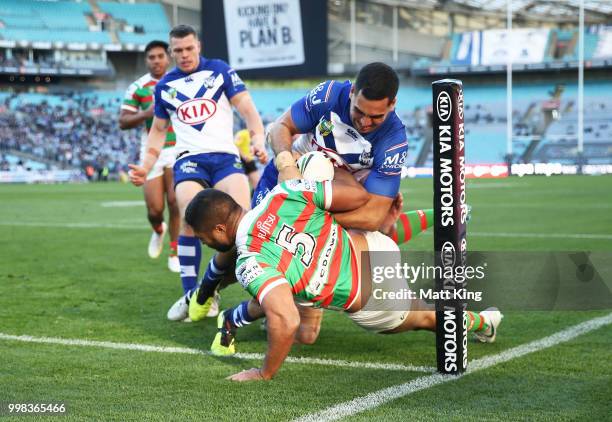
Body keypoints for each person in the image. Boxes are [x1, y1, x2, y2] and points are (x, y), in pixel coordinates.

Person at [184, 173, 502, 381]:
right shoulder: (283, 194)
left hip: (374, 299)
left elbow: (286, 321)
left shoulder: (249, 260)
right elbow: (359, 199)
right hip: (375, 244)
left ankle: (485, 322)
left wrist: (263, 372)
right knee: (297, 271)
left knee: (428, 319)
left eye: (203, 238)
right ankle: (441, 214)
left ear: (219, 230)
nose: (206, 245)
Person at [128, 25, 267, 321]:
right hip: (189, 160)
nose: (184, 55)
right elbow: (157, 132)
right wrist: (145, 165)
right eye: (177, 50)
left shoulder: (219, 71)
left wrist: (257, 137)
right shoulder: (165, 86)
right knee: (190, 220)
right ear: (171, 52)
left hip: (225, 157)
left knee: (243, 224)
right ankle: (191, 295)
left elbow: (247, 108)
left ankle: (256, 293)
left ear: (198, 46)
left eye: (189, 48)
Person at [119, 40, 181, 272]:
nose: (156, 61)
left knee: (175, 201)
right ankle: (158, 230)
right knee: (154, 209)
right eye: (151, 57)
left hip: (178, 148)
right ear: (146, 60)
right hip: (151, 151)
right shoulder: (138, 87)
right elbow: (123, 121)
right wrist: (148, 112)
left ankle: (174, 251)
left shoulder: (180, 81)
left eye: (160, 56)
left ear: (168, 57)